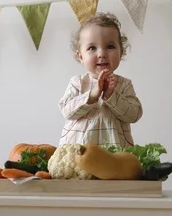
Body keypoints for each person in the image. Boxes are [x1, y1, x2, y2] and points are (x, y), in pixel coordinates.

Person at [57, 12, 143, 148]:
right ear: (81, 56)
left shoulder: (124, 85)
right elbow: (67, 111)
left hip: (114, 154)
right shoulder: (77, 83)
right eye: (92, 48)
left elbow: (134, 115)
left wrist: (111, 96)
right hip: (78, 153)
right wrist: (92, 96)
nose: (102, 54)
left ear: (121, 53)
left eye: (110, 46)